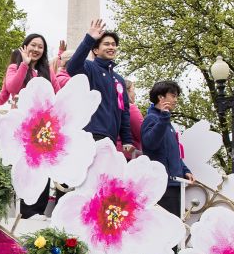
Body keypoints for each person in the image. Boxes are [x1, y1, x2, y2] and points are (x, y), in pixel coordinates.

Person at [67, 19, 134, 151]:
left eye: (114, 45)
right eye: (107, 44)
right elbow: (72, 67)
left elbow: (124, 111)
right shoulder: (89, 67)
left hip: (111, 139)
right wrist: (89, 39)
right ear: (96, 50)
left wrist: (127, 140)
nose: (111, 47)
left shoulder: (119, 79)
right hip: (90, 134)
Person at [141, 80, 195, 218]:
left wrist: (185, 170)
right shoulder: (151, 119)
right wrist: (164, 119)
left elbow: (173, 153)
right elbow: (150, 143)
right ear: (161, 97)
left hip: (175, 184)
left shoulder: (167, 123)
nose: (176, 100)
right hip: (163, 185)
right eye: (173, 95)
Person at [0, 34, 57, 107]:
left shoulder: (48, 71)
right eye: (33, 45)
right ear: (25, 46)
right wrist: (24, 64)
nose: (36, 49)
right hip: (20, 115)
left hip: (43, 116)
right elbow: (12, 89)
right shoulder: (14, 68)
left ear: (43, 51)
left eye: (40, 47)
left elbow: (58, 95)